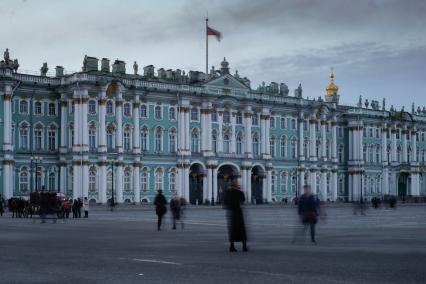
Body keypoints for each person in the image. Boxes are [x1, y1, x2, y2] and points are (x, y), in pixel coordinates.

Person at [224, 178, 247, 252]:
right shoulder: (239, 191)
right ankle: (244, 246)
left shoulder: (227, 192)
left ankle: (232, 246)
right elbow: (243, 199)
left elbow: (225, 202)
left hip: (231, 212)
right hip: (238, 212)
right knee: (241, 229)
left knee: (232, 230)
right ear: (236, 184)